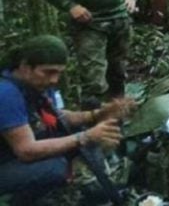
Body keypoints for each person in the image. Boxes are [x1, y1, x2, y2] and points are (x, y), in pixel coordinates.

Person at [0, 35, 135, 204]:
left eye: (58, 73)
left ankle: (93, 184)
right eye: (48, 72)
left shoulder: (36, 84)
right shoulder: (6, 93)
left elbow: (58, 117)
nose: (54, 80)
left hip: (16, 152)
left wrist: (97, 114)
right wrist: (85, 137)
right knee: (56, 168)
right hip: (7, 161)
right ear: (25, 67)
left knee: (83, 140)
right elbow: (26, 151)